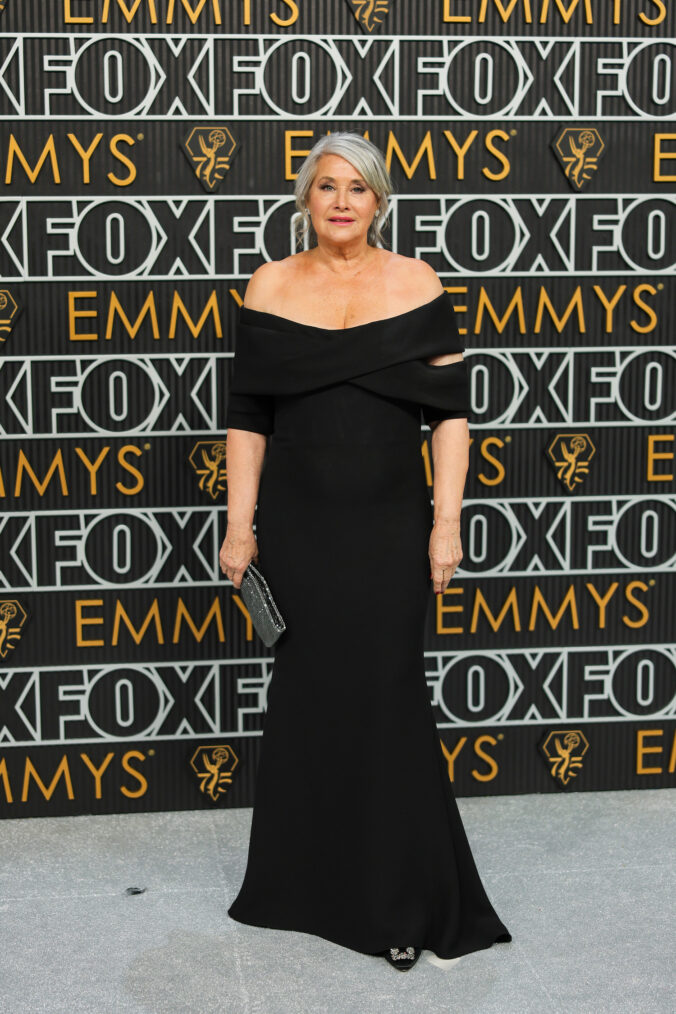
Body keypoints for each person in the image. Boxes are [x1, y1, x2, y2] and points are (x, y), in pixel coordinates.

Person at [219, 132, 511, 971]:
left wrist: (445, 521)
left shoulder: (417, 284)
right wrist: (241, 528)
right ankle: (301, 888)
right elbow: (248, 418)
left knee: (386, 701)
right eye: (326, 187)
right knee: (310, 701)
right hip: (301, 530)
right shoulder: (269, 287)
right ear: (305, 200)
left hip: (388, 529)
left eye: (359, 187)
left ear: (380, 201)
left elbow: (449, 416)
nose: (342, 201)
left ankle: (397, 901)